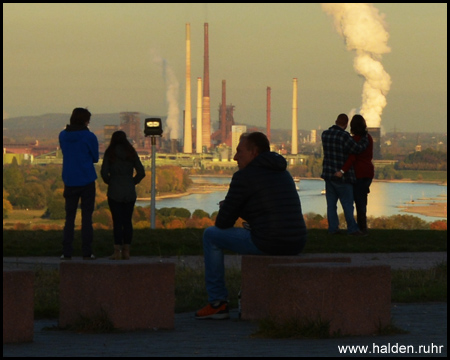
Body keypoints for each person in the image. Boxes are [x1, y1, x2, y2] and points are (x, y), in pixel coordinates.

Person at [195, 132, 307, 320]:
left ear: (254, 152)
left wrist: (232, 208)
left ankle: (217, 303)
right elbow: (270, 211)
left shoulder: (244, 177)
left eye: (239, 152)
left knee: (211, 236)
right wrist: (245, 210)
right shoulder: (283, 173)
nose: (234, 157)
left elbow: (222, 223)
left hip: (269, 241)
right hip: (297, 241)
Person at [59, 107, 99, 260]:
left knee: (69, 218)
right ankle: (87, 252)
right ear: (85, 121)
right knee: (87, 218)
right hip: (87, 179)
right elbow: (95, 157)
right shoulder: (89, 137)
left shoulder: (63, 135)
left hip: (69, 179)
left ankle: (66, 252)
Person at [321, 113, 368, 236]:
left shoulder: (325, 134)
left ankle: (333, 229)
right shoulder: (344, 137)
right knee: (347, 204)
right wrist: (365, 139)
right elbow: (357, 149)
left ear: (336, 121)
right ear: (346, 124)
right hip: (343, 177)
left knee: (331, 205)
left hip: (329, 175)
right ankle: (352, 229)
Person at [101, 131, 145, 260]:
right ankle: (126, 251)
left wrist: (111, 182)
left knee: (117, 221)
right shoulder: (131, 152)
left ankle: (116, 252)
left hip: (114, 190)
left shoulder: (110, 153)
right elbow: (141, 172)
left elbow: (104, 173)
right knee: (127, 221)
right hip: (129, 191)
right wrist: (132, 182)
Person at [335, 115, 374, 235]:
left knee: (357, 202)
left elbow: (352, 158)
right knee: (362, 201)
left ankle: (361, 228)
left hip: (359, 173)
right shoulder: (368, 138)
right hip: (368, 172)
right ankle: (362, 227)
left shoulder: (354, 140)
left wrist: (342, 171)